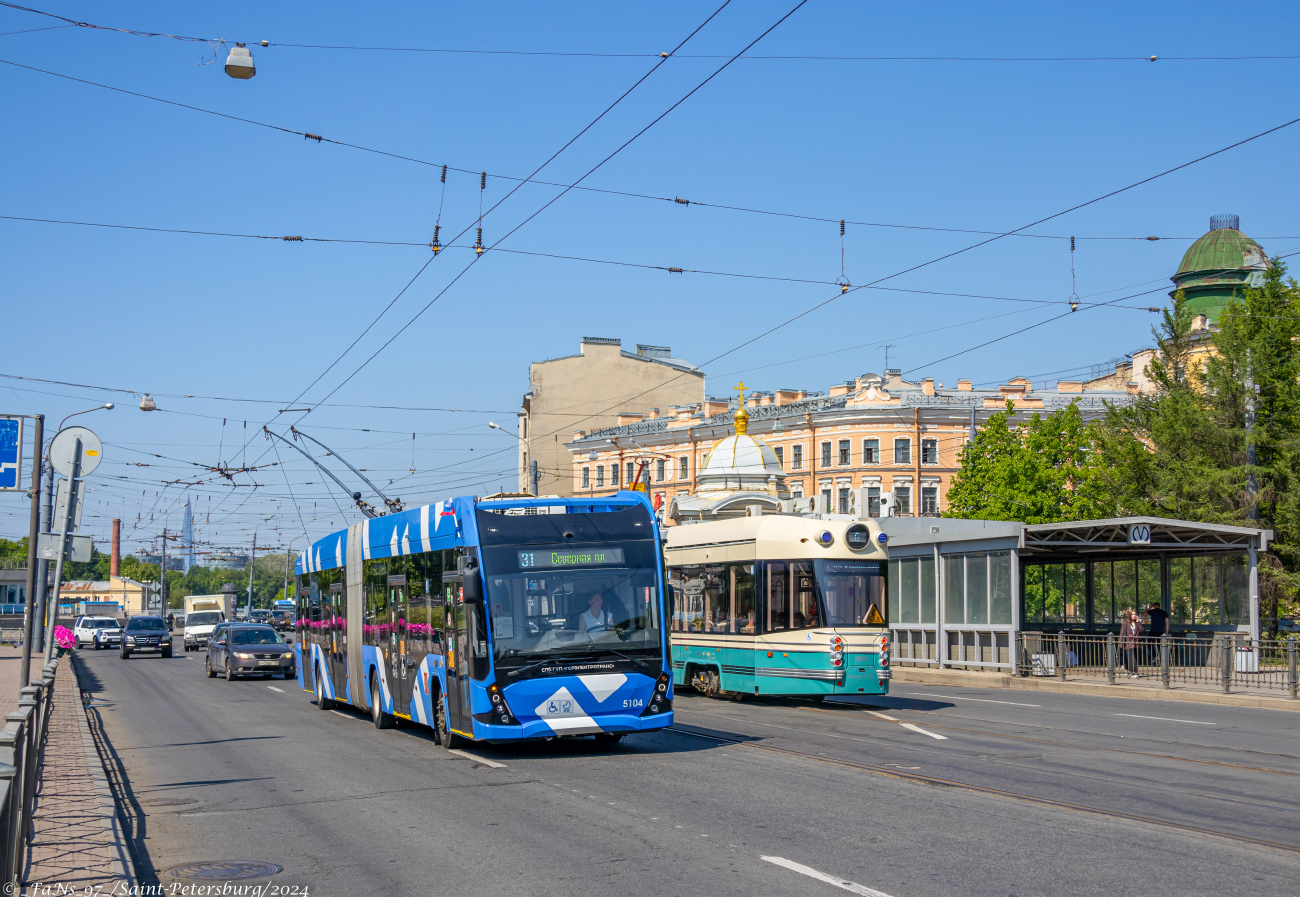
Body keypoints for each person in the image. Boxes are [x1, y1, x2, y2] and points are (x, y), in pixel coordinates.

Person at [1119, 609, 1141, 678]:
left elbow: (1142, 629)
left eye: (1135, 614)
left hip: (1135, 642)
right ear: (1129, 615)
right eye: (1133, 614)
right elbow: (1122, 633)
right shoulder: (1125, 622)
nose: (1134, 615)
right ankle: (1134, 672)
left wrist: (1138, 622)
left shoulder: (1136, 622)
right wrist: (1121, 643)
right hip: (1128, 642)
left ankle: (1126, 667)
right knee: (1132, 657)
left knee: (1134, 657)